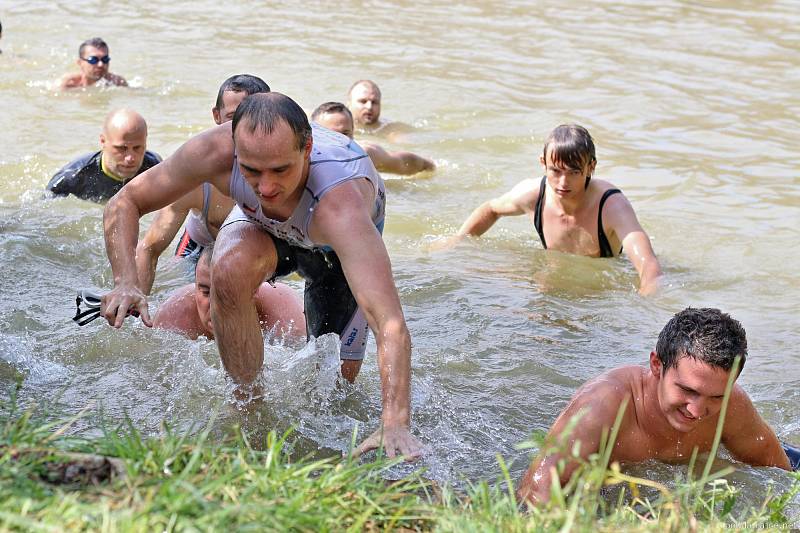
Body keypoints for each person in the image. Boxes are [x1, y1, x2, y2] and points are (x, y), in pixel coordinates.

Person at [101, 92, 423, 459]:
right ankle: (247, 409)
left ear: (307, 149)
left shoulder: (342, 207)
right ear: (235, 150)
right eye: (252, 172)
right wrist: (125, 280)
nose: (267, 188)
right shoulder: (213, 152)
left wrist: (395, 422)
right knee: (227, 268)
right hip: (265, 229)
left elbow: (389, 322)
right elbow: (124, 202)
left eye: (280, 171)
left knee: (336, 393)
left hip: (331, 244)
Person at [517, 307, 795, 506]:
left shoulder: (733, 405)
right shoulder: (603, 405)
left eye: (716, 397)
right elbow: (534, 493)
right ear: (656, 365)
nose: (697, 411)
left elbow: (782, 475)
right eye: (687, 390)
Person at [440, 124, 662, 295]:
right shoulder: (533, 194)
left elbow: (650, 268)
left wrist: (641, 309)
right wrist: (458, 240)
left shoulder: (611, 206)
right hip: (551, 280)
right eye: (555, 171)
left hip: (599, 291)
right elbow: (492, 209)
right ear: (542, 164)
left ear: (591, 167)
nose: (563, 182)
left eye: (574, 172)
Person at [136, 74, 270, 295]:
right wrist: (136, 302)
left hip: (258, 252)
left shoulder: (286, 171)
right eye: (233, 118)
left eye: (253, 116)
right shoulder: (195, 176)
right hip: (197, 251)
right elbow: (149, 248)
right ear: (216, 116)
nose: (245, 128)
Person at [154, 245, 305, 341]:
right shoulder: (174, 318)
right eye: (206, 293)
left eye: (227, 293)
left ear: (254, 291)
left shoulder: (285, 314)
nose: (216, 306)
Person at [46, 109, 161, 203]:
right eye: (122, 148)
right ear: (103, 141)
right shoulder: (72, 179)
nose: (130, 158)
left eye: (137, 148)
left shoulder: (155, 168)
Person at [312, 102, 435, 176]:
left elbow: (402, 162)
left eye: (345, 134)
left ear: (353, 134)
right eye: (332, 135)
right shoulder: (302, 156)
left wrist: (429, 165)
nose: (340, 142)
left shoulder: (366, 155)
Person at [346, 80, 411, 138]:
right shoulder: (340, 129)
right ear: (349, 104)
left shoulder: (391, 130)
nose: (369, 107)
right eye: (363, 101)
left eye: (374, 102)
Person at [59, 37, 127, 89]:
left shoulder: (118, 83)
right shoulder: (69, 84)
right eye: (93, 60)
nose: (101, 64)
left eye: (105, 59)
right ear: (80, 63)